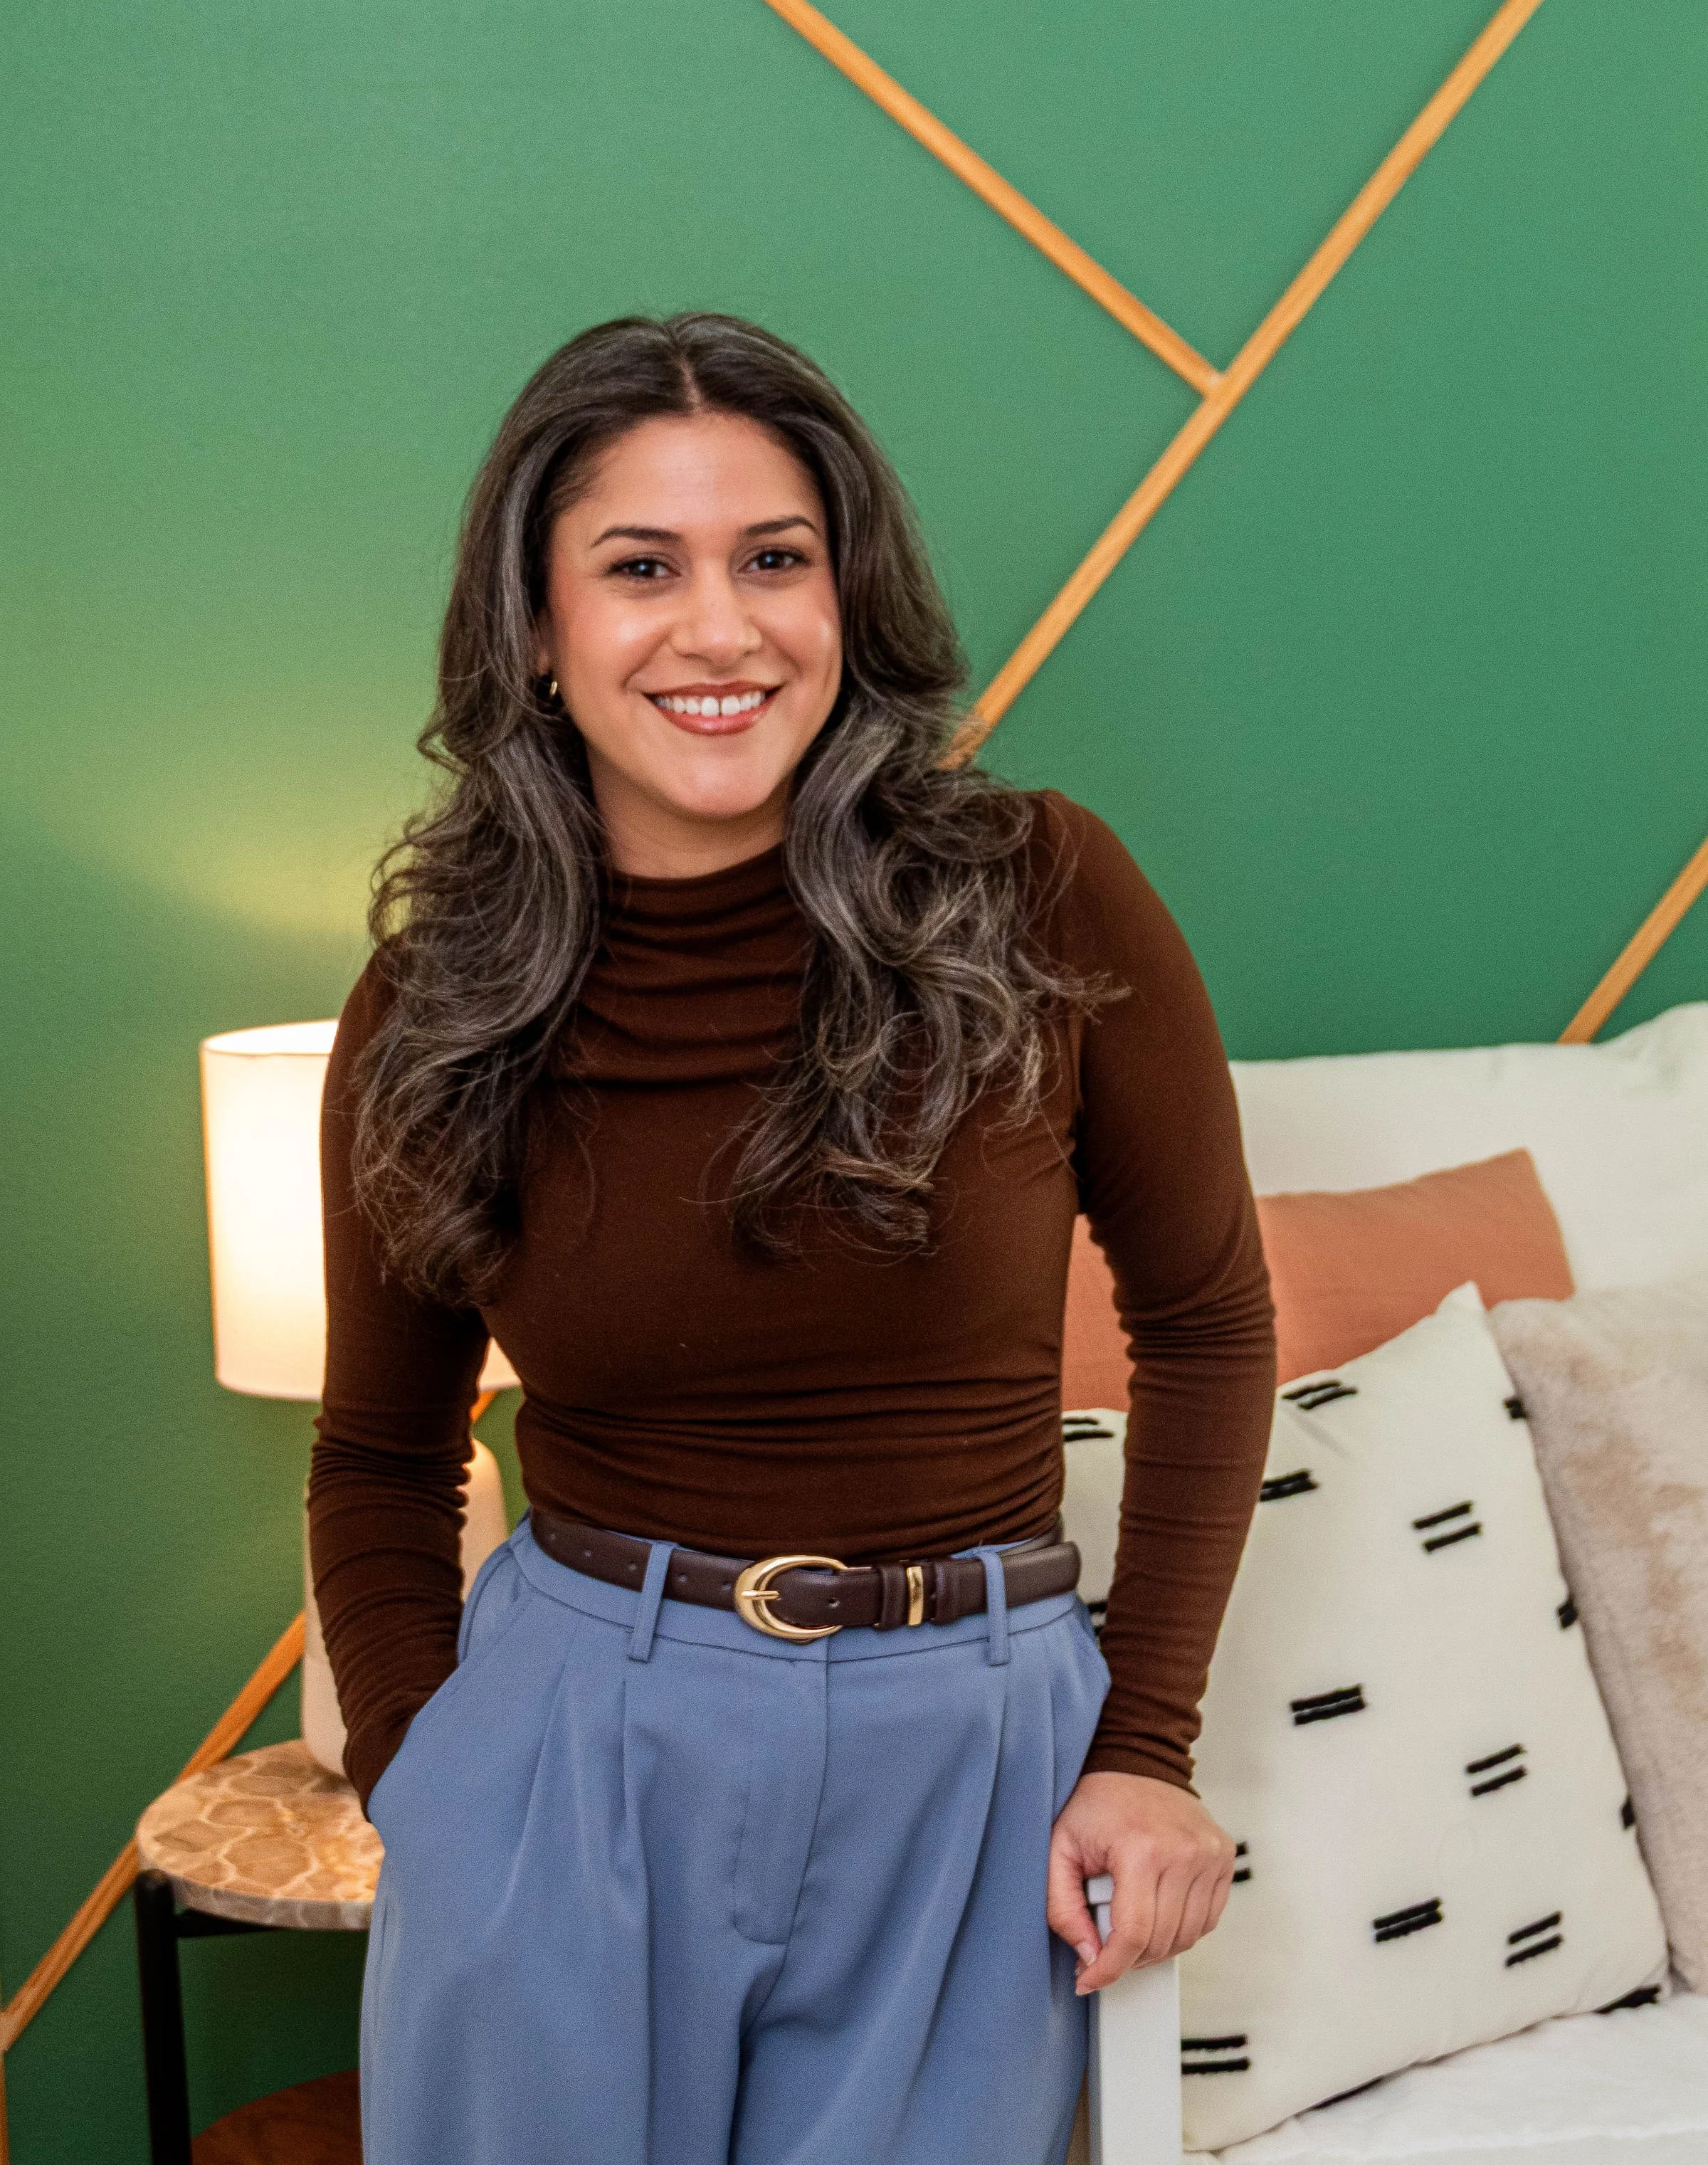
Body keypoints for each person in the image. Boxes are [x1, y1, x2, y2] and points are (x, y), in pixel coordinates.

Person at [310, 311, 1275, 2165]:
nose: (722, 629)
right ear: (534, 627)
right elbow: (376, 1451)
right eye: (639, 569)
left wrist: (1145, 1746)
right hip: (572, 1752)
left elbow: (1213, 1327)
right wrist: (428, 1777)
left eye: (776, 561)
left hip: (976, 1757)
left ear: (852, 597)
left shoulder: (1039, 892)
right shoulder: (437, 996)